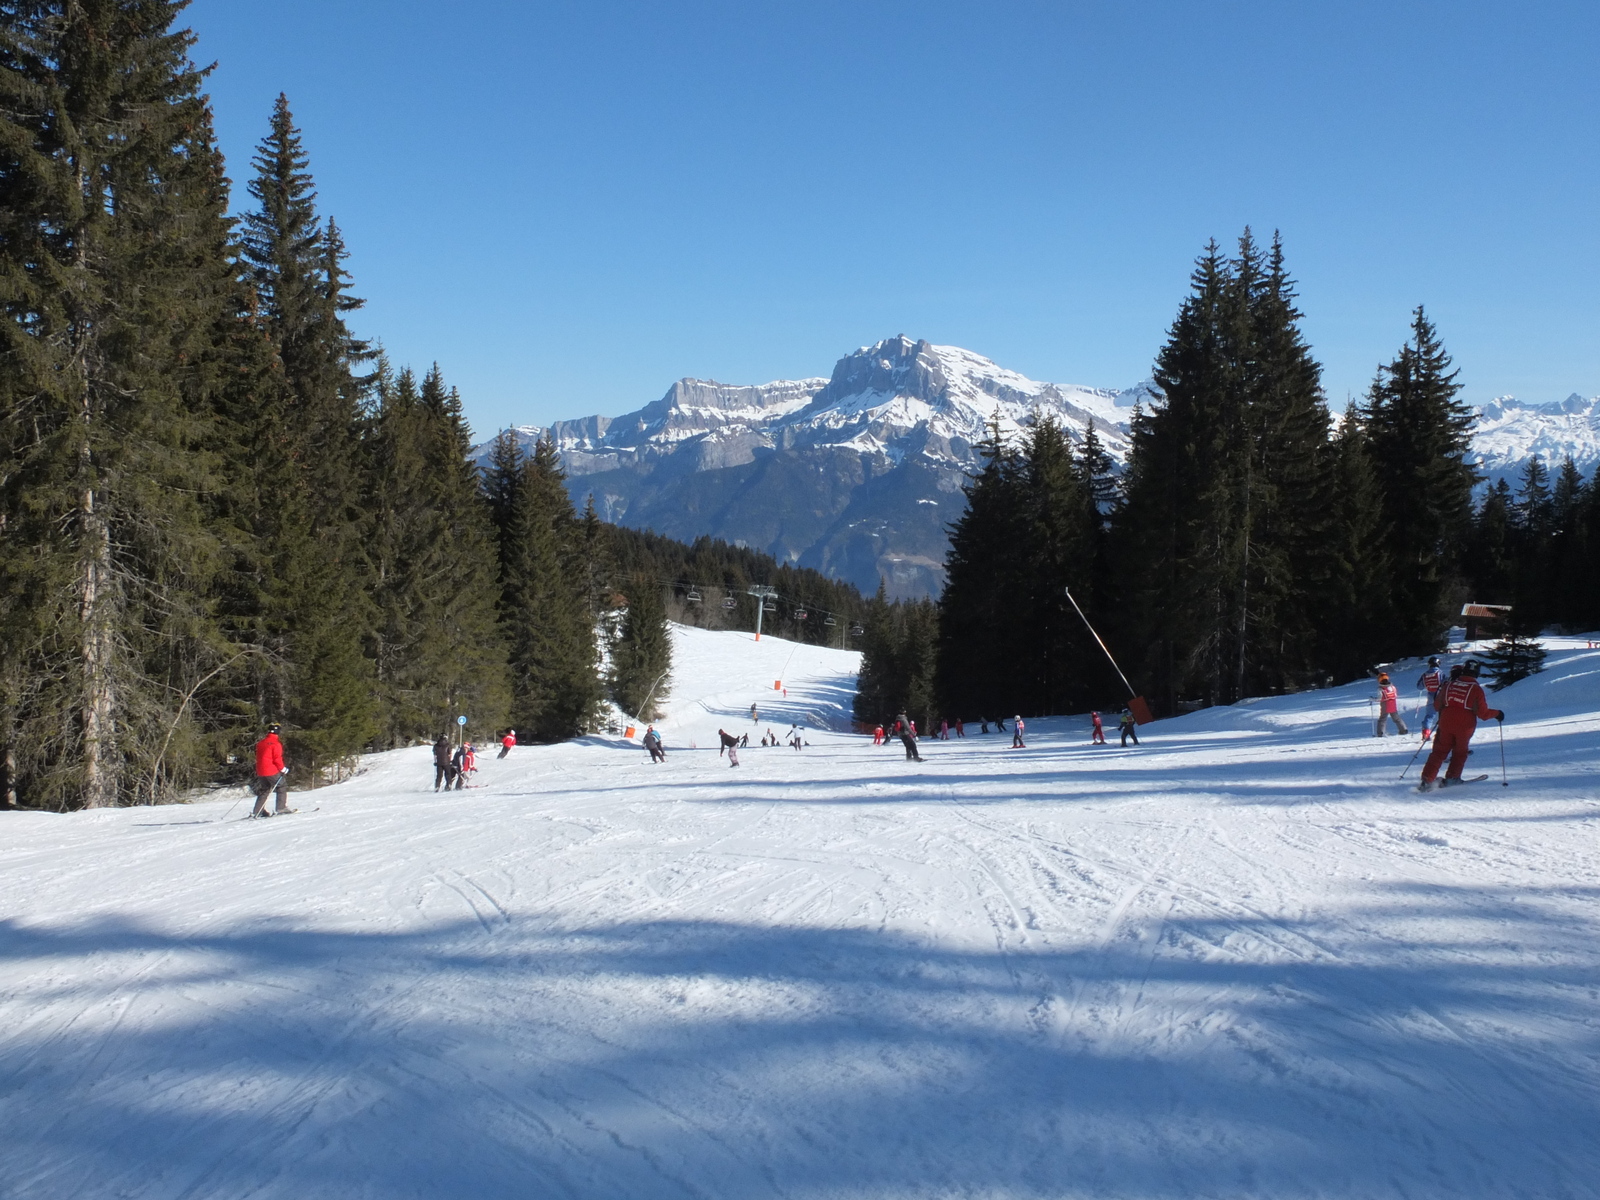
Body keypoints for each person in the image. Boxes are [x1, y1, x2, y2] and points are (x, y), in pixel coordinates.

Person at [1418, 659, 1504, 791]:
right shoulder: (1476, 689)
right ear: (1477, 673)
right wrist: (1497, 713)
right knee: (1460, 752)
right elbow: (1483, 713)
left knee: (1439, 751)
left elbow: (1437, 705)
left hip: (1446, 722)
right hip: (1465, 726)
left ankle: (1426, 780)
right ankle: (1452, 778)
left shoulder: (1449, 685)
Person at [250, 722, 291, 818]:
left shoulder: (261, 743)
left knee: (265, 789)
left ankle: (258, 810)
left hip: (260, 770)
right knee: (281, 786)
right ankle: (281, 808)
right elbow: (277, 758)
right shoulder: (276, 744)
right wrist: (283, 769)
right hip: (271, 770)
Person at [1416, 656, 1444, 741]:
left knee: (1430, 716)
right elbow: (1446, 682)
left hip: (1430, 696)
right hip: (1441, 695)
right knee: (1443, 715)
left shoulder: (1425, 674)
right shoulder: (1440, 673)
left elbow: (1419, 687)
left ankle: (1426, 733)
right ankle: (1443, 734)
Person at [1374, 672, 1408, 737]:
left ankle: (1380, 733)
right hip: (1393, 704)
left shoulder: (1380, 689)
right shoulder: (1392, 687)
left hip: (1385, 705)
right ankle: (1403, 730)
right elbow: (1395, 695)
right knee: (1396, 718)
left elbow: (1379, 699)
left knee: (1382, 719)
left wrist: (1372, 699)